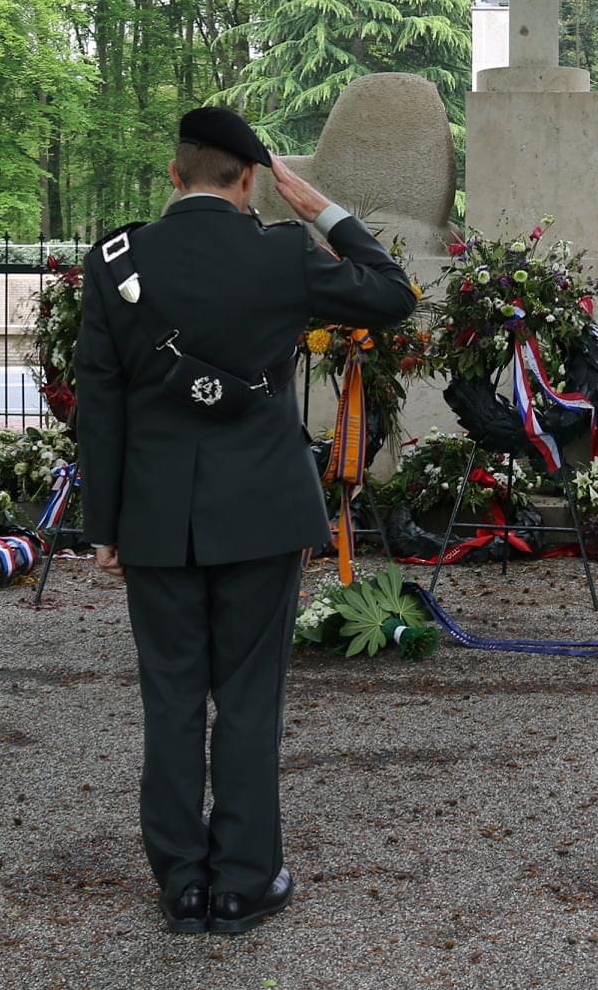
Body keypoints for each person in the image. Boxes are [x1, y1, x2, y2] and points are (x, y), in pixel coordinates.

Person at [73, 106, 417, 936]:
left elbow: (100, 401)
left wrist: (103, 524)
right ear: (252, 178)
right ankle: (242, 881)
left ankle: (182, 885)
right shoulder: (282, 252)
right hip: (261, 510)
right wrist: (323, 211)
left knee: (171, 699)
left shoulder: (117, 260)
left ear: (174, 173)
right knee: (250, 699)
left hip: (157, 515)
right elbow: (393, 295)